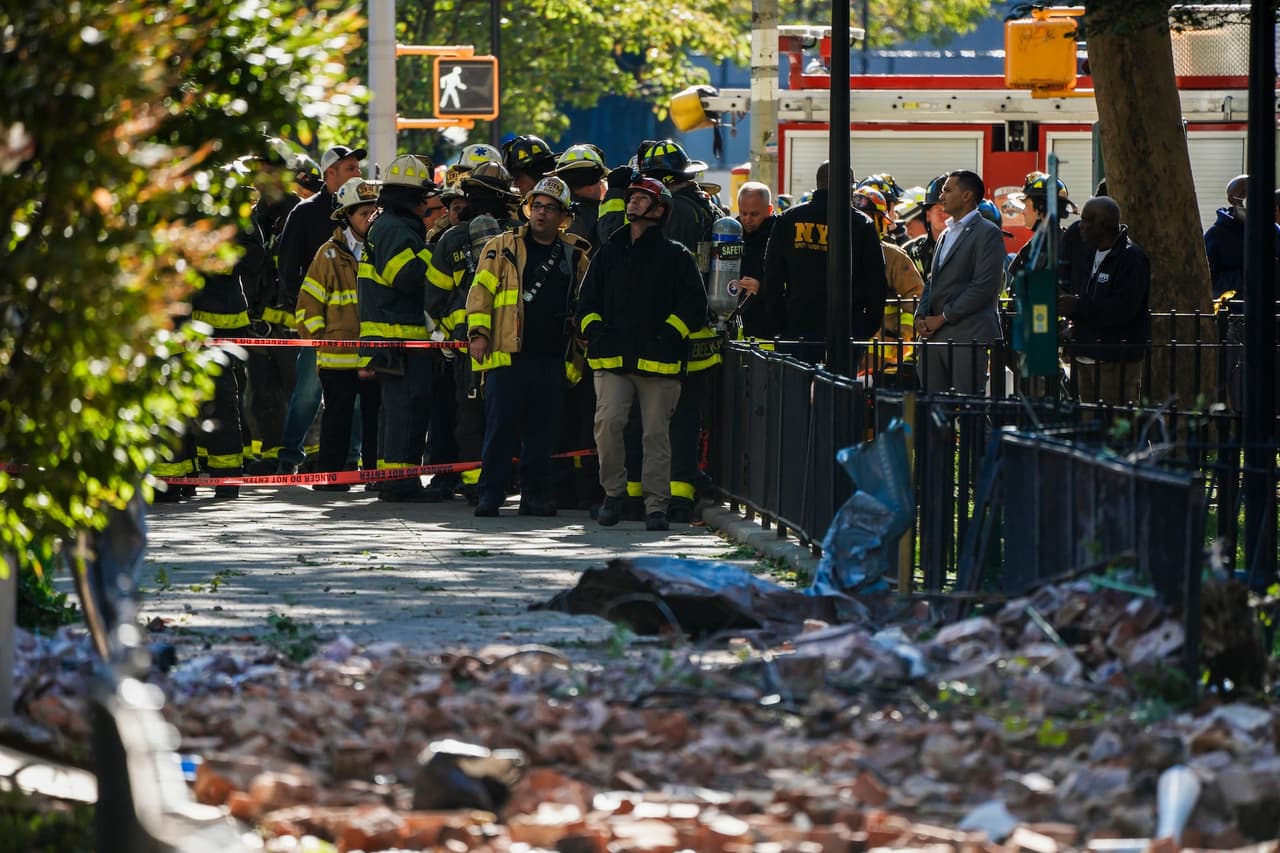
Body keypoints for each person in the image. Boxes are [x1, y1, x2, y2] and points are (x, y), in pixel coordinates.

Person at [577, 177, 708, 531]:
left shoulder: (677, 256)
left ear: (660, 210)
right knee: (607, 425)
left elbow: (694, 308)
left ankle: (656, 507)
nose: (632, 201)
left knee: (655, 436)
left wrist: (667, 336)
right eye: (631, 196)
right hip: (613, 360)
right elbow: (586, 301)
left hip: (660, 364)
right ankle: (613, 495)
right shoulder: (609, 251)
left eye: (642, 198)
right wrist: (595, 331)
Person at [466, 176, 592, 517]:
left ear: (563, 216)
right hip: (507, 355)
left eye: (550, 208)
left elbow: (585, 301)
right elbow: (480, 293)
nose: (542, 213)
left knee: (542, 433)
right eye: (537, 206)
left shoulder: (575, 255)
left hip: (552, 357)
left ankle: (534, 496)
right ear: (528, 209)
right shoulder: (502, 246)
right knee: (500, 429)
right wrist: (478, 333)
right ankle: (490, 495)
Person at [426, 162, 522, 502]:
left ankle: (476, 483)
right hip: (505, 344)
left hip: (473, 346)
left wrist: (455, 331)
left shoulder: (452, 238)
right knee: (498, 414)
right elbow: (436, 297)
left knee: (472, 416)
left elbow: (436, 299)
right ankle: (490, 480)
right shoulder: (518, 237)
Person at [274, 143, 366, 474]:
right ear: (330, 174)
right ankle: (289, 457)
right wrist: (309, 320)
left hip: (356, 328)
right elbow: (288, 268)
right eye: (350, 168)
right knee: (307, 394)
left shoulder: (365, 211)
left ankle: (350, 459)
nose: (357, 172)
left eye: (357, 167)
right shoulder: (305, 213)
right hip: (319, 329)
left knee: (355, 400)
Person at [357, 153, 440, 502]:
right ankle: (400, 481)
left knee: (395, 411)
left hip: (393, 337)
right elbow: (405, 276)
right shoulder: (394, 229)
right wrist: (434, 252)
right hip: (399, 338)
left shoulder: (389, 225)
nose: (426, 206)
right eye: (423, 198)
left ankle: (390, 476)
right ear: (411, 198)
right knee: (407, 409)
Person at [296, 177, 382, 491]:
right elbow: (308, 305)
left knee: (375, 420)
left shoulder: (380, 249)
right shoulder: (328, 255)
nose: (370, 218)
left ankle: (375, 476)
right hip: (337, 359)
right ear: (346, 216)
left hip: (373, 356)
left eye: (374, 212)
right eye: (363, 213)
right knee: (337, 418)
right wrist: (321, 341)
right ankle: (331, 477)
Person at [762, 160, 887, 364]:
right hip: (846, 330)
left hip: (797, 328)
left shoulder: (789, 219)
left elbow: (771, 277)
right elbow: (876, 283)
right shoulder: (861, 224)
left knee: (795, 383)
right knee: (840, 384)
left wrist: (780, 325)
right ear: (848, 186)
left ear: (818, 183)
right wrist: (864, 329)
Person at [913, 169, 1006, 394]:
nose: (941, 196)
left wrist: (943, 317)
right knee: (934, 409)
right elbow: (933, 280)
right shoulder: (945, 234)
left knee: (968, 408)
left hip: (968, 337)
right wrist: (920, 316)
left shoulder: (988, 233)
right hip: (934, 339)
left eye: (947, 190)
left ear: (967, 195)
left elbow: (983, 287)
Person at [1059, 196, 1151, 405]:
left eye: (1086, 221)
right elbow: (1087, 298)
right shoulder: (1089, 252)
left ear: (1103, 224)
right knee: (1089, 421)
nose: (1080, 226)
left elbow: (1124, 309)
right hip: (1085, 355)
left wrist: (1078, 306)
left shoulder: (1132, 258)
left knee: (1113, 420)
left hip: (1114, 359)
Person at [852, 187, 924, 384]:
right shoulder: (836, 254)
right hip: (846, 350)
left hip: (884, 360)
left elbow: (915, 302)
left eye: (866, 217)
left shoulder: (894, 258)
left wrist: (901, 341)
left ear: (881, 222)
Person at [734, 181, 782, 341]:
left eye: (754, 214)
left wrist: (762, 288)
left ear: (769, 210)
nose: (747, 219)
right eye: (743, 213)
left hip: (768, 327)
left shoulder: (780, 233)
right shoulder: (732, 233)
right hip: (737, 324)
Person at [1008, 172, 1075, 281]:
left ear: (1041, 208)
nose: (1022, 212)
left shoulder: (1061, 249)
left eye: (1026, 205)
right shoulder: (1036, 244)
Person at [550, 144, 607, 251]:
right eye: (599, 180)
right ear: (590, 185)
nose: (601, 184)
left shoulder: (552, 211)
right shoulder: (593, 217)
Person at [1204, 174, 1247, 298]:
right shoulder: (1215, 236)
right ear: (1231, 200)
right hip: (1235, 308)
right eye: (1244, 194)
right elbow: (1208, 283)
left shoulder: (1273, 231)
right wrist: (1245, 277)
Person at [902, 173, 949, 283]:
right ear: (928, 215)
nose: (946, 215)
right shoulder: (910, 252)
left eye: (950, 209)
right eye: (940, 210)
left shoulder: (972, 248)